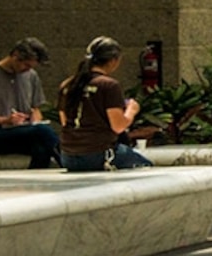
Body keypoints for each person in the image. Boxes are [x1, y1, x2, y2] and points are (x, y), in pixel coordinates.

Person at [59, 39, 151, 172]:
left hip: (68, 156)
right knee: (146, 168)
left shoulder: (67, 85)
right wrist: (131, 110)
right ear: (114, 60)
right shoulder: (108, 85)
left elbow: (64, 121)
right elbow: (118, 126)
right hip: (100, 154)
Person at [0, 39, 58, 169]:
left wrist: (35, 119)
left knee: (41, 148)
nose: (27, 70)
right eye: (26, 65)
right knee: (42, 131)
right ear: (15, 56)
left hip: (25, 130)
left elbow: (36, 108)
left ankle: (34, 182)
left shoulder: (31, 76)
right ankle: (68, 160)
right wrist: (6, 120)